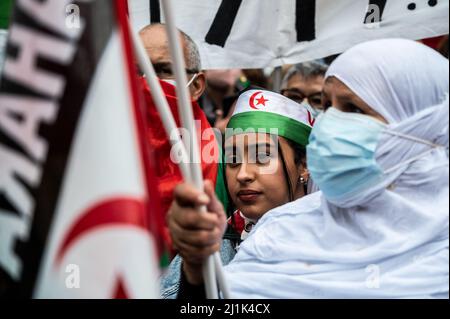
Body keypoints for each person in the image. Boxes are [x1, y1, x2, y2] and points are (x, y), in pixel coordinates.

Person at [169, 38, 449, 299]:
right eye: (327, 105)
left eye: (353, 109)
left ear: (422, 123)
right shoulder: (278, 234)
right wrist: (196, 273)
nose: (330, 123)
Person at [161, 90, 316, 298]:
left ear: (304, 164)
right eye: (233, 160)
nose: (242, 174)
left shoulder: (331, 242)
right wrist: (195, 275)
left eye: (261, 156)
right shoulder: (213, 245)